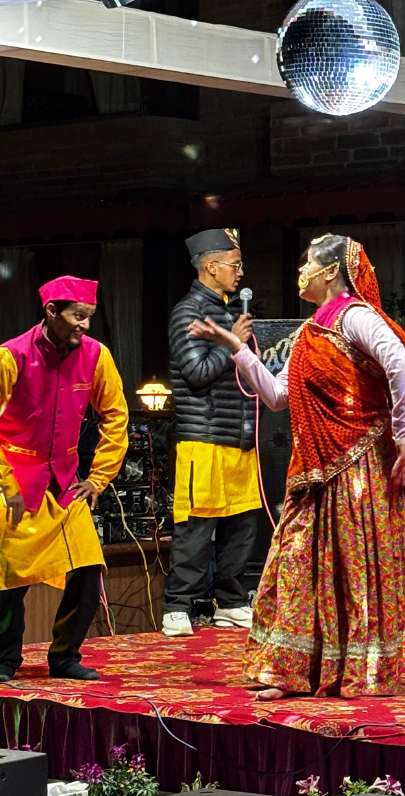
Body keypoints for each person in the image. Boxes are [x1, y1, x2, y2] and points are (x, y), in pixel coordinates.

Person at [189, 235, 405, 699]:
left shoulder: (356, 317)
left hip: (360, 468)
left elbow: (402, 368)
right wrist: (235, 347)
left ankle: (359, 669)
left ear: (330, 271)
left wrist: (404, 434)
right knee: (299, 563)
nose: (299, 270)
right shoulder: (308, 332)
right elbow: (277, 397)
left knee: (354, 569)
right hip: (315, 472)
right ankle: (293, 669)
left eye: (307, 263)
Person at [0, 276, 128, 682]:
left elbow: (116, 415)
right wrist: (4, 481)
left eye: (89, 316)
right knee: (6, 583)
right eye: (78, 316)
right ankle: (4, 660)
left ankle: (65, 656)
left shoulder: (96, 355)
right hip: (9, 484)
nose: (85, 325)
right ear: (51, 312)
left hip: (63, 484)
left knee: (88, 569)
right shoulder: (9, 357)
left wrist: (99, 478)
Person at [164, 228, 260, 637]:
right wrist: (231, 343)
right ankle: (177, 606)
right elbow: (196, 372)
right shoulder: (188, 312)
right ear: (210, 266)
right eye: (235, 265)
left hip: (239, 437)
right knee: (197, 528)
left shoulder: (229, 311)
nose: (240, 272)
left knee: (242, 525)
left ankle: (232, 602)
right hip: (202, 437)